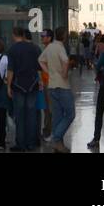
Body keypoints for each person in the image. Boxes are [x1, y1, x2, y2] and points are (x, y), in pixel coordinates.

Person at [39, 25, 76, 154]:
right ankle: (56, 137)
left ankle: (59, 144)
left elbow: (40, 60)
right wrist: (64, 74)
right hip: (62, 86)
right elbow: (66, 61)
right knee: (70, 114)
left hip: (51, 85)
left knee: (57, 116)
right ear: (64, 36)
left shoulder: (50, 47)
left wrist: (49, 72)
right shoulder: (60, 47)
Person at [6, 25, 41, 152]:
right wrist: (40, 81)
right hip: (32, 84)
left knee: (19, 115)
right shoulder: (35, 48)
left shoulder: (12, 50)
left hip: (18, 85)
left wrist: (9, 86)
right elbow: (40, 66)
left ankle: (20, 144)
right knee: (31, 114)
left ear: (14, 35)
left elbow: (10, 70)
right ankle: (31, 143)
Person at [39, 30, 53, 140]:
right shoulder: (47, 49)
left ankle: (49, 131)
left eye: (43, 36)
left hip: (50, 82)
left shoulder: (51, 49)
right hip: (45, 81)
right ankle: (47, 130)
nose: (41, 38)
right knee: (46, 108)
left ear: (49, 38)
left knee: (49, 108)